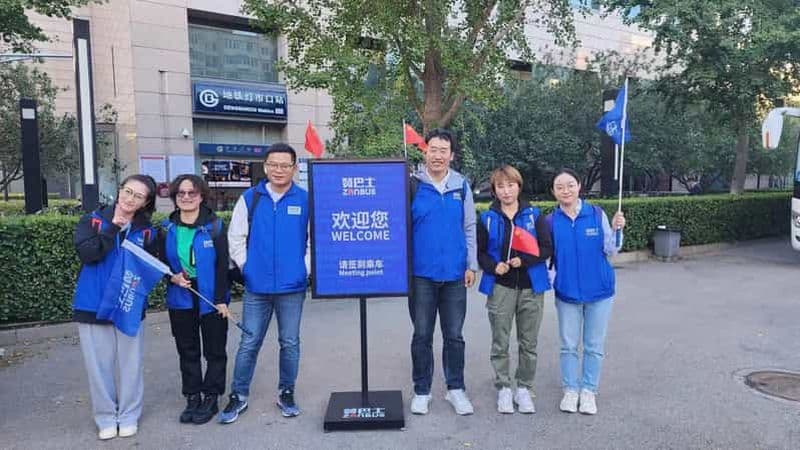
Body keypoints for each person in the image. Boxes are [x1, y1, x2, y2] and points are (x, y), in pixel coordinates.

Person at [219, 143, 309, 423]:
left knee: (290, 342)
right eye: (273, 164)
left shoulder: (305, 200)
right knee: (249, 342)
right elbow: (235, 237)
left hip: (292, 288)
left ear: (294, 168)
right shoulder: (250, 198)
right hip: (256, 287)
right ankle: (238, 395)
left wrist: (303, 270)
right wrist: (248, 268)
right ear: (266, 166)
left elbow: (313, 241)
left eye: (285, 165)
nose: (279, 170)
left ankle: (286, 391)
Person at [72, 174, 157, 440]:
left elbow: (154, 265)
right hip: (92, 306)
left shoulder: (148, 231)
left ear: (146, 202)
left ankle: (129, 415)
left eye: (138, 196)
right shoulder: (93, 220)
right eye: (128, 191)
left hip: (129, 306)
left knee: (131, 365)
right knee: (99, 368)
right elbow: (88, 254)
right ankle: (106, 417)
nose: (130, 198)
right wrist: (112, 229)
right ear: (119, 191)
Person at [409, 128, 479, 416]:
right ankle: (421, 390)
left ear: (451, 155)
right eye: (433, 149)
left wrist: (471, 264)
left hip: (454, 274)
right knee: (422, 334)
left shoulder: (461, 186)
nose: (437, 155)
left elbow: (469, 228)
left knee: (454, 335)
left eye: (443, 150)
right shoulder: (412, 185)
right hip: (421, 274)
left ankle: (455, 389)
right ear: (425, 152)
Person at [548, 168, 626, 415]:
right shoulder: (550, 221)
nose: (565, 190)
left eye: (570, 185)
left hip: (600, 291)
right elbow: (547, 258)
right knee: (568, 345)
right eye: (560, 187)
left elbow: (611, 249)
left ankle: (589, 390)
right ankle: (571, 390)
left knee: (593, 345)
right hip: (567, 293)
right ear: (554, 192)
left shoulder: (596, 213)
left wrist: (617, 229)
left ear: (579, 186)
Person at [477, 165, 552, 414]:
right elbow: (480, 252)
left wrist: (526, 260)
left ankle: (524, 387)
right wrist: (493, 266)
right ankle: (504, 388)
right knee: (500, 341)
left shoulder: (534, 215)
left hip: (531, 286)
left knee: (528, 342)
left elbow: (546, 248)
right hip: (501, 287)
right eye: (501, 186)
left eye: (511, 185)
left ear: (519, 186)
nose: (506, 191)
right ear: (495, 190)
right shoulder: (487, 218)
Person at [159, 174, 230, 425]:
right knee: (187, 350)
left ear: (201, 196)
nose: (187, 197)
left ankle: (211, 396)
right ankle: (192, 396)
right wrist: (172, 278)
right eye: (181, 193)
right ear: (175, 198)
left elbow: (224, 266)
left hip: (211, 297)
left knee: (214, 350)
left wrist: (221, 299)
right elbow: (161, 264)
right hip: (181, 295)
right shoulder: (166, 228)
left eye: (192, 193)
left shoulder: (215, 226)